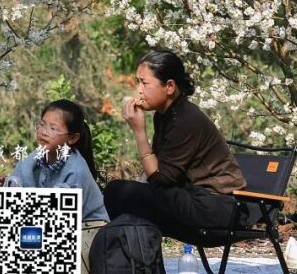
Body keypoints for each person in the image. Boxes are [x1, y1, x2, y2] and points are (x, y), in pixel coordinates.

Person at [104, 49, 247, 243]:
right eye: (138, 82)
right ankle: (138, 255)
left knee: (118, 192)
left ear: (170, 86)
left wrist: (139, 132)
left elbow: (160, 178)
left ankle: (140, 257)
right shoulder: (165, 115)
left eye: (145, 83)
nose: (139, 90)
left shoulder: (185, 119)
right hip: (192, 197)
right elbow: (157, 170)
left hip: (216, 206)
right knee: (122, 192)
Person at [2, 99, 109, 222]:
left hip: (88, 229)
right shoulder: (30, 161)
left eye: (53, 128)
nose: (44, 132)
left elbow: (61, 219)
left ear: (72, 138)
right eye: (42, 124)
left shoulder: (76, 171)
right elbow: (12, 197)